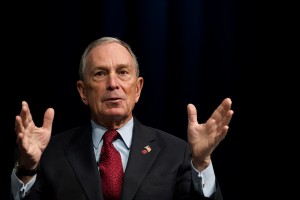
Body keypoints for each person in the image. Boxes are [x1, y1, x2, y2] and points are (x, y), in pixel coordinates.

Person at [11, 36, 234, 200]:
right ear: (83, 92)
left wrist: (202, 163)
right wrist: (28, 169)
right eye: (100, 73)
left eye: (122, 72)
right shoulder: (51, 153)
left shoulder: (178, 153)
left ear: (137, 89)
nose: (113, 83)